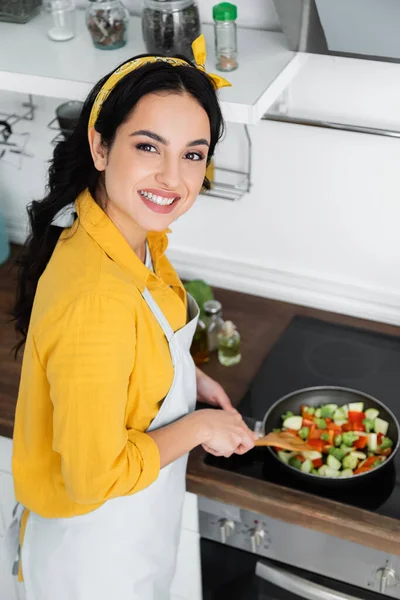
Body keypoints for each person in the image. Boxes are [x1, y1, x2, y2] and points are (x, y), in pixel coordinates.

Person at [10, 35, 256, 600]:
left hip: (128, 540)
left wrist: (183, 378)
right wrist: (197, 427)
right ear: (100, 147)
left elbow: (133, 348)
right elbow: (94, 477)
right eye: (149, 147)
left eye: (192, 154)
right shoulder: (97, 293)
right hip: (91, 562)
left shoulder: (130, 239)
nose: (173, 178)